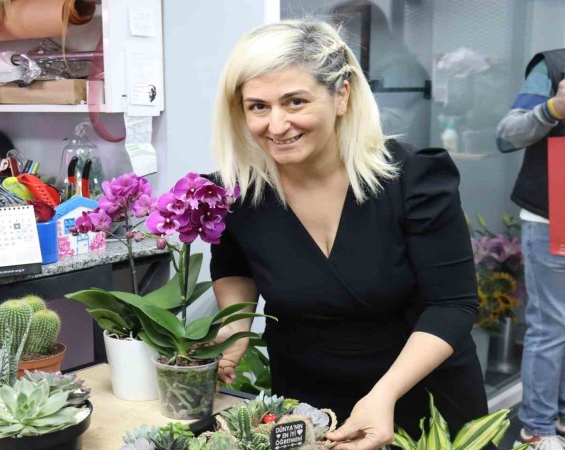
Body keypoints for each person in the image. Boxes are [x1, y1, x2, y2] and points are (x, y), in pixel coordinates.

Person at [209, 20, 488, 450]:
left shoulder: (414, 179)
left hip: (420, 397)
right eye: (258, 106)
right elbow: (235, 267)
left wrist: (384, 395)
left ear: (341, 95)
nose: (276, 126)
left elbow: (452, 304)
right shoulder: (238, 193)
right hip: (308, 402)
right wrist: (237, 327)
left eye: (295, 101)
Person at [496, 38, 565, 450]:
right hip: (553, 219)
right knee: (553, 327)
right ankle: (535, 427)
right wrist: (553, 109)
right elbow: (506, 134)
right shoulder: (555, 66)